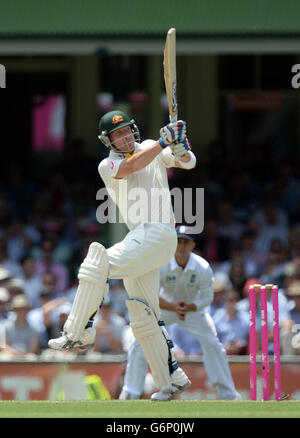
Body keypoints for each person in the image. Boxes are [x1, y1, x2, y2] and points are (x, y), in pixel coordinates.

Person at [48, 110, 196, 401]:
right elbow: (131, 167)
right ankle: (171, 381)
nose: (125, 136)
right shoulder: (109, 164)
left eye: (127, 130)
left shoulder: (152, 146)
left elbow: (188, 164)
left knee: (96, 261)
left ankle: (78, 332)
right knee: (143, 314)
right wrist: (165, 142)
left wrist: (181, 146)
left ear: (134, 130)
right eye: (118, 134)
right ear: (109, 140)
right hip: (141, 237)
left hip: (158, 233)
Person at [119, 226, 241, 400]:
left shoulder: (202, 267)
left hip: (192, 310)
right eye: (178, 241)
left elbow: (207, 297)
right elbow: (151, 294)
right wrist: (173, 307)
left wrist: (188, 307)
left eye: (186, 242)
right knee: (139, 342)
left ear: (192, 245)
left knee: (213, 344)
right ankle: (131, 391)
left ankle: (228, 393)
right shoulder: (161, 264)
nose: (181, 246)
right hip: (164, 309)